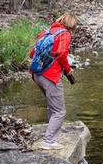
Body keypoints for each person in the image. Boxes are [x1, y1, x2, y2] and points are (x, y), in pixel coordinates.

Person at [30, 11, 77, 150]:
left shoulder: (47, 32)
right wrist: (68, 70)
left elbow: (32, 53)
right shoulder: (65, 34)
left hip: (37, 74)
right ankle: (49, 141)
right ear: (71, 25)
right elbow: (62, 53)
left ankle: (51, 136)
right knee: (59, 111)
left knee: (52, 107)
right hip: (51, 76)